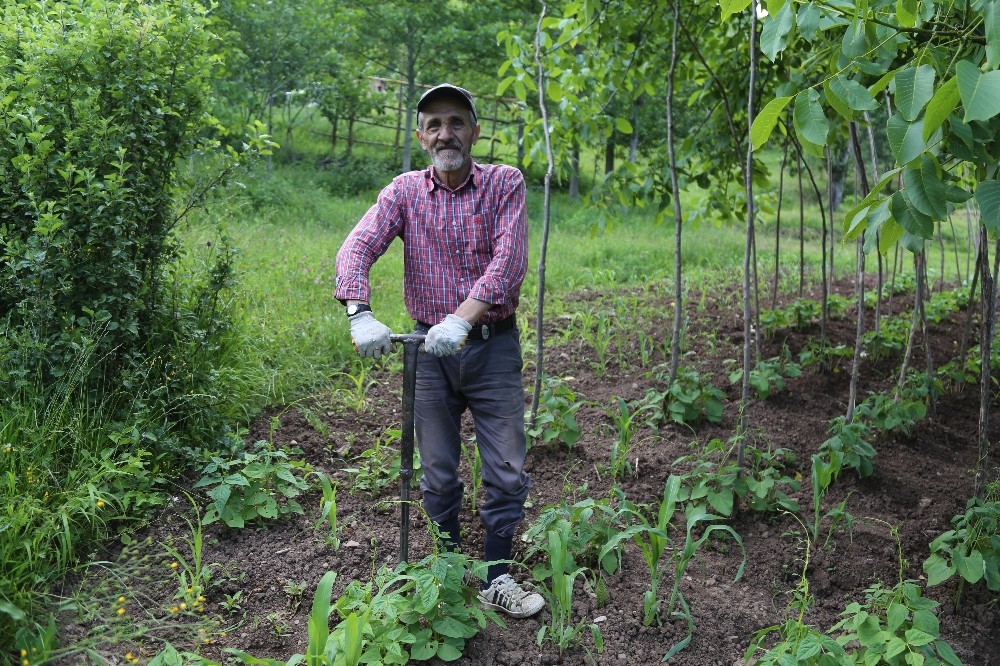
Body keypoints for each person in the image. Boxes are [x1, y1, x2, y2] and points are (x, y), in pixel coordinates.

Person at [334, 83, 543, 619]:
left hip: (491, 347)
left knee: (504, 467)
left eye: (455, 122)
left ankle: (497, 574)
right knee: (438, 471)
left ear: (474, 130)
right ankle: (449, 569)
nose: (444, 133)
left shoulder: (503, 183)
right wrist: (359, 312)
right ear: (421, 135)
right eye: (433, 124)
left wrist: (461, 319)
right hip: (428, 352)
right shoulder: (404, 192)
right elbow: (359, 244)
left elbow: (509, 263)